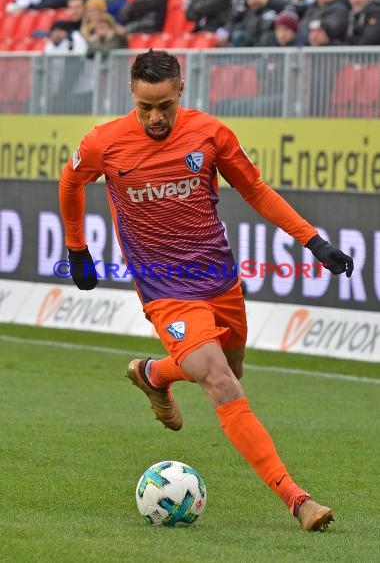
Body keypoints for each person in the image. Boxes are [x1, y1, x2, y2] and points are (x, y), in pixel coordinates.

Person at [59, 49, 354, 532]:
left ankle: (154, 374)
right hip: (164, 286)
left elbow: (255, 189)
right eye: (145, 107)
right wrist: (76, 246)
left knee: (231, 370)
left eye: (164, 107)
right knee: (220, 381)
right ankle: (297, 499)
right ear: (132, 94)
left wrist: (313, 241)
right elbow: (70, 180)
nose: (155, 118)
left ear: (180, 91)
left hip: (218, 279)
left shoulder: (210, 135)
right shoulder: (104, 143)